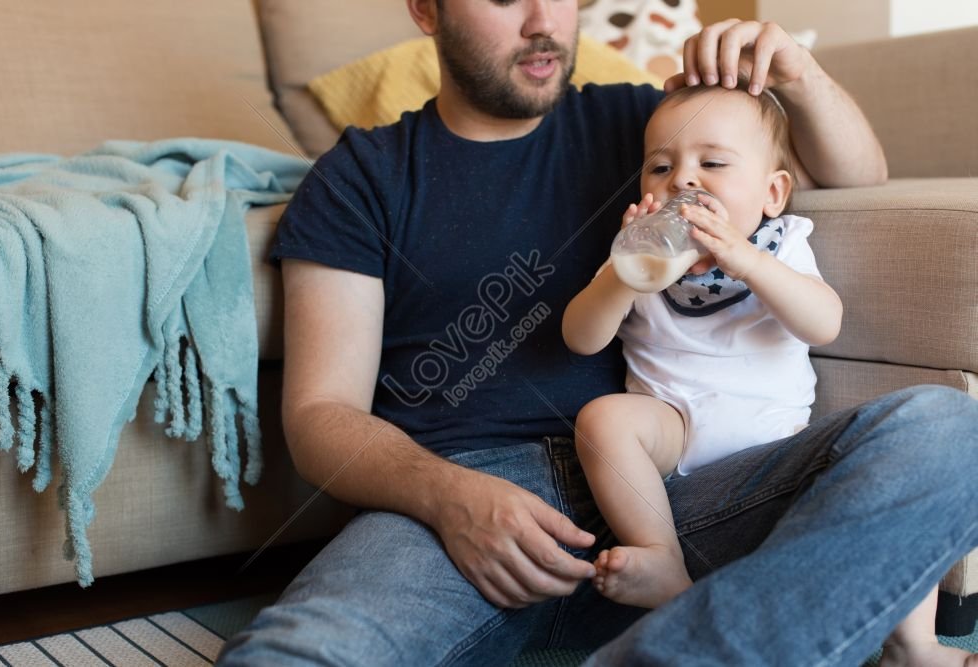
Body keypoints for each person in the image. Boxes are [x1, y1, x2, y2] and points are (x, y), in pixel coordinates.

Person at [216, 1, 978, 665]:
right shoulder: (361, 176)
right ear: (426, 9)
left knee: (949, 432)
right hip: (461, 509)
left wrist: (798, 75)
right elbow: (320, 414)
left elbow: (856, 175)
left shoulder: (644, 129)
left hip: (674, 491)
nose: (545, 20)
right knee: (294, 654)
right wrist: (451, 498)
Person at [563, 82, 974, 667]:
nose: (682, 180)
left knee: (883, 484)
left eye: (712, 163)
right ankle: (659, 554)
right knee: (601, 420)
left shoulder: (780, 247)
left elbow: (823, 322)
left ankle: (915, 646)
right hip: (673, 432)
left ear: (772, 193)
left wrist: (747, 260)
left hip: (778, 453)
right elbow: (581, 338)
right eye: (660, 166)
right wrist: (621, 276)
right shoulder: (636, 257)